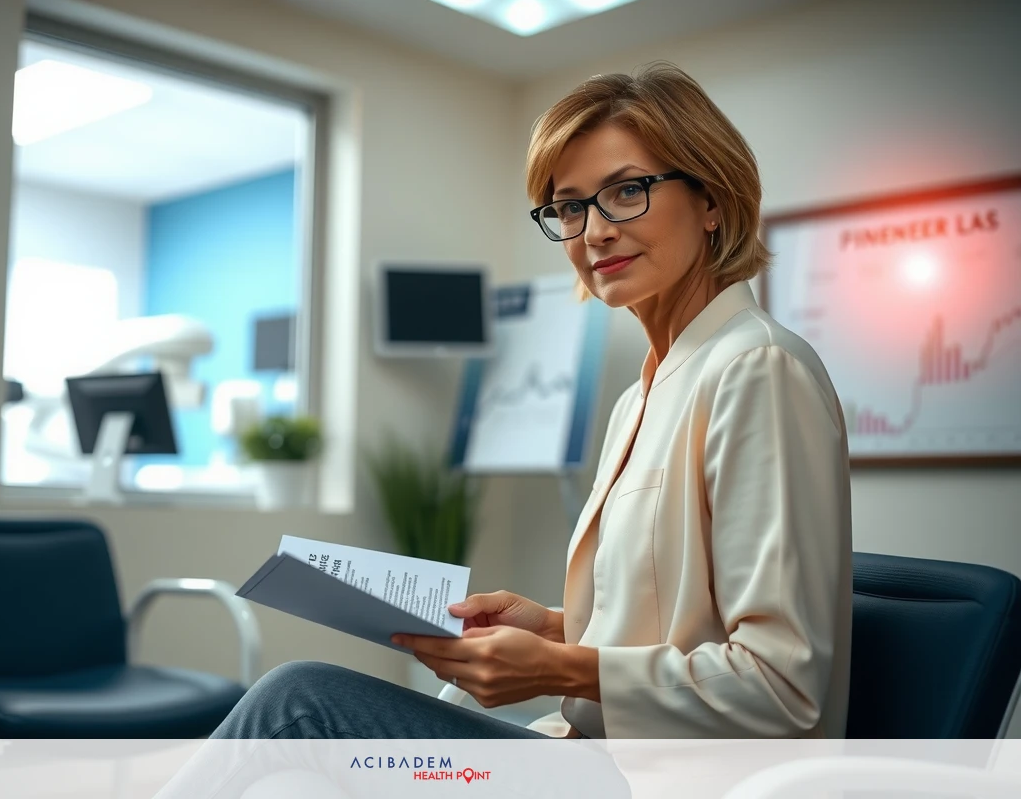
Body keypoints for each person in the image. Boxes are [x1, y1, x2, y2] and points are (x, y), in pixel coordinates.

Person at [207, 61, 852, 743]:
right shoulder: (641, 397)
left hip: (660, 781)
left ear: (713, 198)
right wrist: (549, 628)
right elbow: (674, 624)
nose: (593, 232)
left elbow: (784, 687)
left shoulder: (757, 369)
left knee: (300, 702)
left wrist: (560, 668)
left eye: (626, 191)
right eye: (570, 207)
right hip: (584, 756)